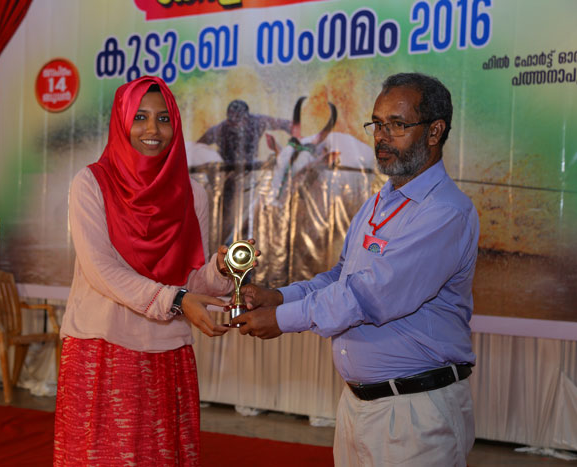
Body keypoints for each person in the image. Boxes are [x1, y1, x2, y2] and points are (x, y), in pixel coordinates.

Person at [231, 72, 480, 467]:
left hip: (415, 413)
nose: (381, 137)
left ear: (435, 131)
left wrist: (281, 319)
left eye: (397, 125)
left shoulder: (445, 212)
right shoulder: (379, 202)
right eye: (377, 124)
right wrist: (279, 297)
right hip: (357, 406)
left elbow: (371, 295)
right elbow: (341, 277)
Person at [53, 75, 235, 466]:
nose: (153, 129)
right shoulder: (91, 183)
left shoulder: (192, 193)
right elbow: (101, 269)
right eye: (140, 117)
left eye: (164, 118)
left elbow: (189, 280)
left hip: (166, 351)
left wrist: (221, 270)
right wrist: (177, 299)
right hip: (102, 348)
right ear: (121, 122)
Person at [198, 99, 291, 245]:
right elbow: (197, 147)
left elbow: (286, 124)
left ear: (247, 117)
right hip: (227, 178)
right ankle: (222, 247)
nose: (236, 125)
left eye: (239, 120)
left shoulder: (258, 122)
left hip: (251, 177)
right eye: (232, 121)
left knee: (251, 215)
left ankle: (244, 245)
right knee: (226, 216)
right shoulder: (220, 129)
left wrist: (297, 142)